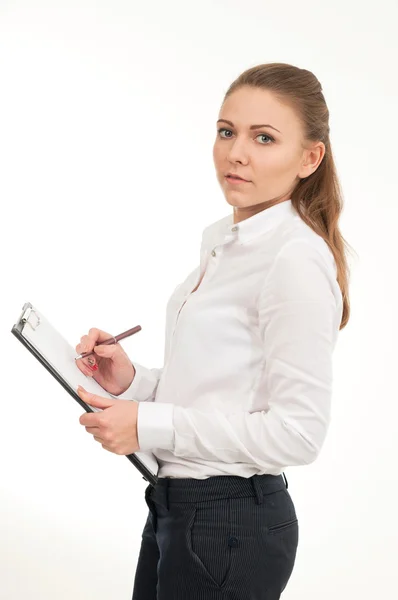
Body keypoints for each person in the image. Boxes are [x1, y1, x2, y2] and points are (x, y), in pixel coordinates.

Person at [75, 62, 352, 599]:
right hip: (183, 511)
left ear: (309, 158)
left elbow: (299, 433)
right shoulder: (227, 241)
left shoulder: (293, 257)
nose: (236, 153)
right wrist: (130, 382)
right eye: (227, 131)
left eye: (264, 138)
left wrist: (151, 424)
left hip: (230, 523)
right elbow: (214, 389)